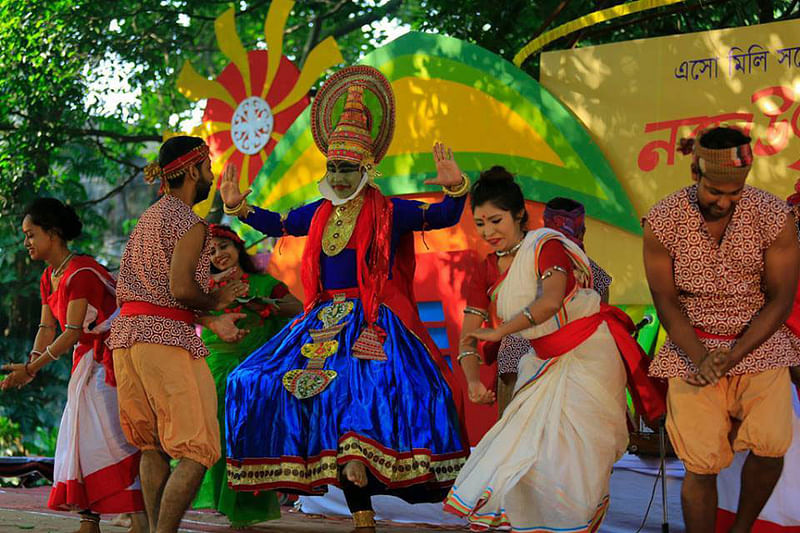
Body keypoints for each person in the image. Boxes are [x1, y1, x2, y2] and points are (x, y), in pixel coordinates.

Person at [220, 65, 469, 532]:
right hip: (320, 319)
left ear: (366, 168)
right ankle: (331, 486)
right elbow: (277, 224)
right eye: (332, 167)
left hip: (375, 320)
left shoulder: (389, 211)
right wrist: (238, 208)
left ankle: (362, 508)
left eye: (346, 168)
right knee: (251, 378)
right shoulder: (318, 213)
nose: (336, 176)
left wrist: (454, 187)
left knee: (371, 396)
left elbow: (443, 217)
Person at [444, 167, 664, 531]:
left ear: (519, 215)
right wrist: (472, 382)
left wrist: (500, 331)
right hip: (541, 361)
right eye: (480, 223)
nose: (488, 232)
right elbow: (468, 340)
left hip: (589, 356)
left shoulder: (548, 246)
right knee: (523, 458)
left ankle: (573, 525)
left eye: (495, 220)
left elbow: (549, 302)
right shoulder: (486, 268)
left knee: (577, 464)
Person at [642, 126, 800, 533]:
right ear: (695, 172)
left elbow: (781, 299)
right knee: (701, 461)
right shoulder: (663, 220)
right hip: (690, 345)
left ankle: (741, 529)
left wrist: (734, 353)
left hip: (759, 343)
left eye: (736, 192)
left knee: (771, 443)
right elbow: (666, 301)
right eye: (715, 191)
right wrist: (701, 357)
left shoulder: (774, 216)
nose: (726, 201)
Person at [107, 136, 249, 533]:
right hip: (165, 341)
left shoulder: (149, 218)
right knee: (197, 449)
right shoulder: (188, 222)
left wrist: (211, 306)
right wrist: (218, 298)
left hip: (128, 341)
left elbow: (154, 289)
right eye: (206, 166)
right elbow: (181, 290)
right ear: (191, 171)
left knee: (150, 446)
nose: (211, 174)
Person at [1, 198, 146, 533]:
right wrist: (30, 366)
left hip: (112, 359)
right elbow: (47, 328)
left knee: (111, 437)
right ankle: (89, 518)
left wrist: (32, 369)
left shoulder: (80, 272)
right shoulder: (50, 275)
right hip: (87, 361)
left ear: (53, 234)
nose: (26, 242)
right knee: (81, 438)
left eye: (31, 234)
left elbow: (72, 332)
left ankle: (140, 517)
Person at [191, 224, 301, 527]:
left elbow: (297, 307)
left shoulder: (263, 282)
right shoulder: (205, 288)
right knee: (219, 438)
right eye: (211, 251)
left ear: (238, 247)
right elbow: (185, 311)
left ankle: (244, 511)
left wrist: (263, 305)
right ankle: (226, 504)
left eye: (223, 247)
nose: (219, 255)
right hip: (215, 369)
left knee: (246, 437)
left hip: (254, 374)